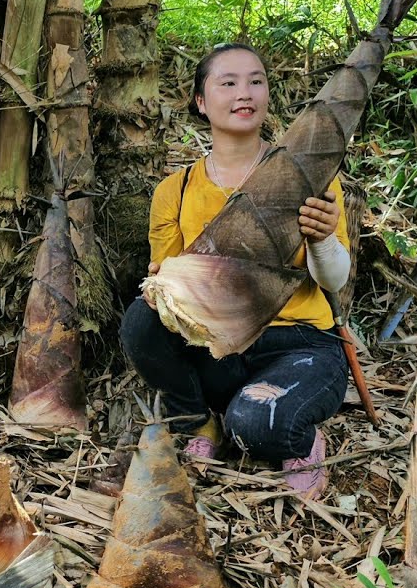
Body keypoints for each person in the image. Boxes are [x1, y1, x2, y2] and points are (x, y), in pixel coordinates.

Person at [119, 44, 351, 500]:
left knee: (255, 428)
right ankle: (200, 422)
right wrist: (166, 281)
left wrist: (322, 239)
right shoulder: (176, 190)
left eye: (256, 81)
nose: (245, 93)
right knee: (142, 319)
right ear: (201, 102)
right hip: (218, 347)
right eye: (228, 82)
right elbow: (166, 288)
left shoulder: (309, 176)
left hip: (300, 344)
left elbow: (333, 281)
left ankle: (283, 430)